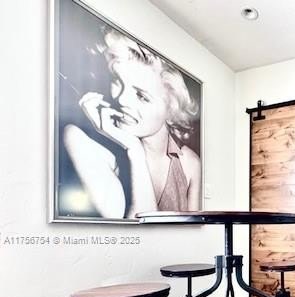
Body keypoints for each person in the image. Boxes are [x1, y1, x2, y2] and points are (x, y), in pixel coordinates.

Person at [63, 28, 201, 219]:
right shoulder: (82, 141)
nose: (121, 99)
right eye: (117, 81)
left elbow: (194, 228)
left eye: (142, 96)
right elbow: (137, 231)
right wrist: (134, 150)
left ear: (171, 111)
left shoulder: (189, 162)